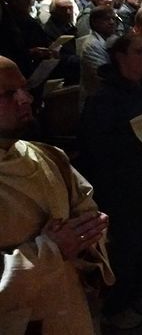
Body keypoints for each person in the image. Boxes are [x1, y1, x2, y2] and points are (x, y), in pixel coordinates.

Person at [0, 55, 114, 334]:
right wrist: (51, 250)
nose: (25, 99)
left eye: (24, 89)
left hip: (69, 308)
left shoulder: (49, 156)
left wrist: (90, 232)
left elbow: (87, 210)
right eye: (7, 94)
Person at [78, 32, 142, 329]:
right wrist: (134, 138)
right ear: (120, 57)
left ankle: (138, 293)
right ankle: (116, 305)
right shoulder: (104, 97)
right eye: (140, 52)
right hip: (122, 185)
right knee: (124, 248)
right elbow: (93, 145)